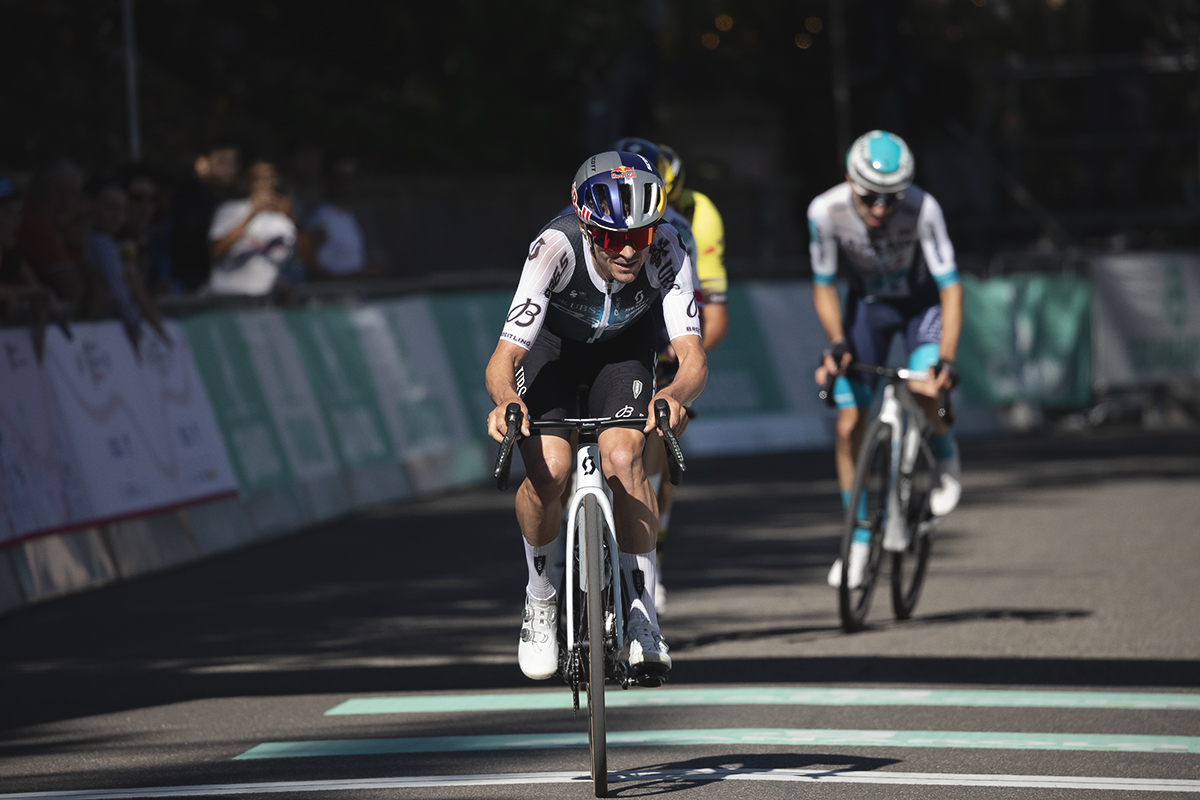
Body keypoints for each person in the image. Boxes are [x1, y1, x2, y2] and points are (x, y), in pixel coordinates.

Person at [485, 151, 706, 683]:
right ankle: (541, 596)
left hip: (623, 353)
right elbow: (504, 359)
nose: (628, 250)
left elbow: (692, 357)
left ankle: (642, 615)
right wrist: (506, 400)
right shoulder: (554, 247)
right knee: (550, 470)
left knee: (624, 458)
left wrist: (674, 394)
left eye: (640, 235)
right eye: (611, 238)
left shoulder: (669, 247)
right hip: (552, 354)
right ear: (586, 227)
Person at [808, 130, 963, 589]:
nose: (880, 208)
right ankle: (857, 538)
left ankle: (946, 454)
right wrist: (837, 342)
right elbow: (823, 285)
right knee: (848, 424)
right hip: (868, 311)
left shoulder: (924, 207)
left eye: (891, 198)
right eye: (870, 197)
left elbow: (951, 288)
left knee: (924, 386)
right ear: (849, 182)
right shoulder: (825, 211)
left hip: (921, 307)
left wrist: (946, 358)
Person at [614, 139, 730, 613]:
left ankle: (652, 557)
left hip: (664, 322)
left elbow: (709, 317)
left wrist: (677, 367)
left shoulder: (689, 222)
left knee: (657, 434)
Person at [85, 179, 168, 349]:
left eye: (152, 199)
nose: (145, 206)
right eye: (138, 199)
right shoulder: (124, 239)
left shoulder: (140, 237)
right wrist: (159, 330)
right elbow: (128, 287)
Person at [206, 160, 297, 296]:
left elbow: (303, 261)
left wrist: (292, 216)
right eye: (259, 178)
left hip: (267, 299)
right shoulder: (229, 210)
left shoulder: (283, 218)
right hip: (228, 297)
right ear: (245, 182)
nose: (266, 183)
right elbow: (215, 252)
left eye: (270, 178)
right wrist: (251, 215)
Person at [303, 157, 369, 280]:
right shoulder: (321, 219)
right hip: (337, 291)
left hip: (358, 289)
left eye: (351, 179)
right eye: (340, 179)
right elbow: (317, 272)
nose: (347, 185)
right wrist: (360, 275)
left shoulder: (350, 214)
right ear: (329, 180)